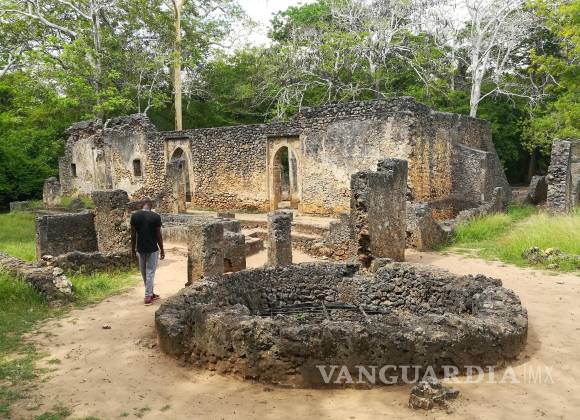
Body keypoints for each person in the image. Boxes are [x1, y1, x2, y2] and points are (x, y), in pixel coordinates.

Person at [130, 197, 165, 305]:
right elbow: (158, 235)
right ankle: (148, 296)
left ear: (141, 205)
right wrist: (162, 249)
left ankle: (150, 293)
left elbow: (133, 235)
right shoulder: (156, 216)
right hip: (152, 249)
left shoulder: (135, 216)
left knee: (144, 272)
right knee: (150, 272)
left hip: (140, 248)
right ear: (151, 206)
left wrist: (132, 249)